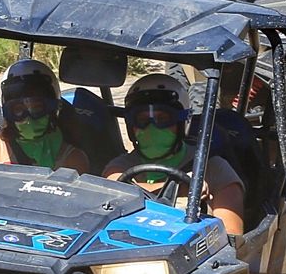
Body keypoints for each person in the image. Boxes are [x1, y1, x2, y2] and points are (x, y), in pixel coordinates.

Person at [104, 75, 245, 237]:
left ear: (183, 122)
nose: (152, 128)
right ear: (131, 126)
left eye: (162, 119)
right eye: (142, 120)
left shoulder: (213, 168)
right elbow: (113, 183)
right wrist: (183, 185)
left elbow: (232, 235)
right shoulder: (122, 165)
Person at [0, 58, 90, 172]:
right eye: (18, 109)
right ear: (8, 112)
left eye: (37, 108)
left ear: (53, 109)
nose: (28, 118)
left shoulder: (72, 158)